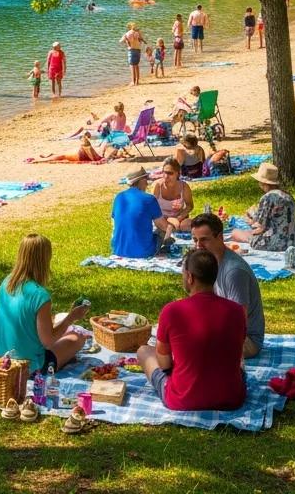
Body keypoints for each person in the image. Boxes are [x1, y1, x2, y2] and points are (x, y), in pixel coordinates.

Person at [137, 249, 246, 411]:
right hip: (231, 398)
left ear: (190, 277)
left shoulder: (172, 311)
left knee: (144, 351)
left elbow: (165, 363)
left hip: (183, 399)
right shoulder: (237, 311)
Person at [0, 233, 89, 374]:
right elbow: (48, 342)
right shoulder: (40, 296)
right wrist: (71, 318)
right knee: (77, 337)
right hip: (29, 367)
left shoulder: (7, 282)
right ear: (44, 260)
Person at [191, 213, 264, 358]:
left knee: (190, 345)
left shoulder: (234, 271)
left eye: (204, 240)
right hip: (223, 329)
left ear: (220, 237)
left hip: (245, 340)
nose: (198, 246)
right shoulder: (211, 263)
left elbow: (238, 322)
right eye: (195, 240)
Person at [231, 162, 295, 251]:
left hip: (275, 243)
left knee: (235, 233)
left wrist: (250, 221)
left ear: (262, 183)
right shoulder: (288, 195)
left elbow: (259, 228)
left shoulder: (268, 198)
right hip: (292, 241)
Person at [111, 166, 171, 258]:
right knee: (165, 230)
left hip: (118, 250)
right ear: (142, 181)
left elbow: (115, 223)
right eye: (146, 179)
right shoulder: (149, 199)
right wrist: (172, 228)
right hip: (143, 252)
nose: (147, 184)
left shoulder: (119, 197)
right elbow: (163, 226)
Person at [151, 158, 194, 233]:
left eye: (170, 173)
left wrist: (178, 218)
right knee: (167, 228)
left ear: (177, 173)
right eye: (164, 172)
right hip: (161, 219)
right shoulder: (157, 186)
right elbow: (151, 207)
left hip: (179, 218)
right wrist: (163, 219)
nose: (166, 176)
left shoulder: (184, 187)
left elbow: (189, 206)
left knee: (188, 225)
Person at [29, 134, 103, 164]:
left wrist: (37, 160)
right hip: (83, 153)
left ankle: (39, 160)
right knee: (61, 155)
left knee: (61, 156)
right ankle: (88, 148)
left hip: (81, 154)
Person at [119, 21, 146, 85]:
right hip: (138, 51)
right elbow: (141, 40)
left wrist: (126, 40)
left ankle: (133, 81)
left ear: (129, 27)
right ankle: (137, 81)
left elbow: (120, 41)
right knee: (136, 66)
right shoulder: (137, 33)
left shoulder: (127, 34)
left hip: (131, 51)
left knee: (132, 66)